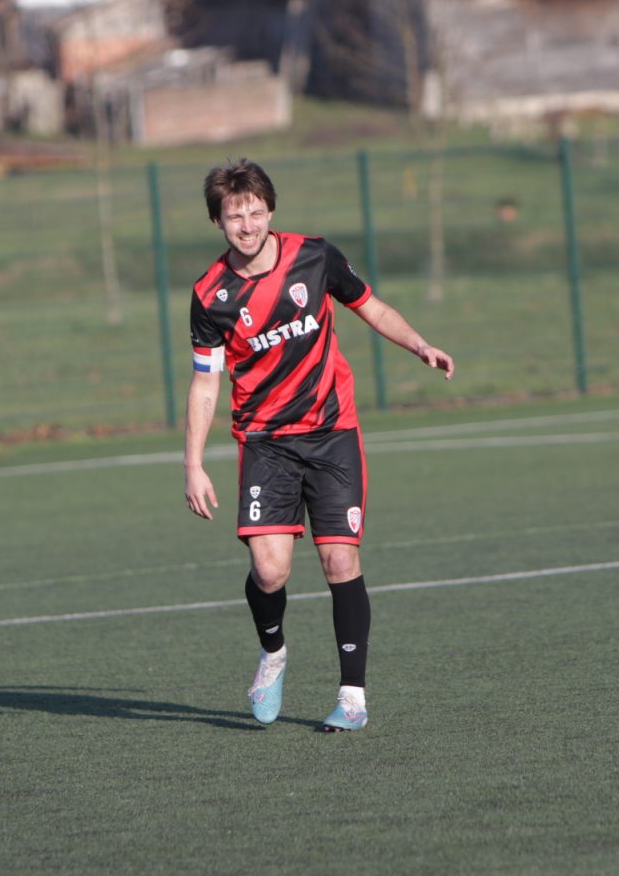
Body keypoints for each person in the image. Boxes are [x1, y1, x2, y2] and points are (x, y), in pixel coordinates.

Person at [183, 158, 455, 732]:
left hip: (332, 434)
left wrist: (419, 345)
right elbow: (206, 381)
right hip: (266, 442)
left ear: (271, 211)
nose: (248, 225)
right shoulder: (210, 295)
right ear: (217, 221)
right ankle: (273, 652)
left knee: (340, 559)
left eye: (256, 212)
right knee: (270, 571)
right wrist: (193, 463)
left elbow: (371, 306)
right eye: (235, 216)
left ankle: (352, 698)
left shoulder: (315, 256)